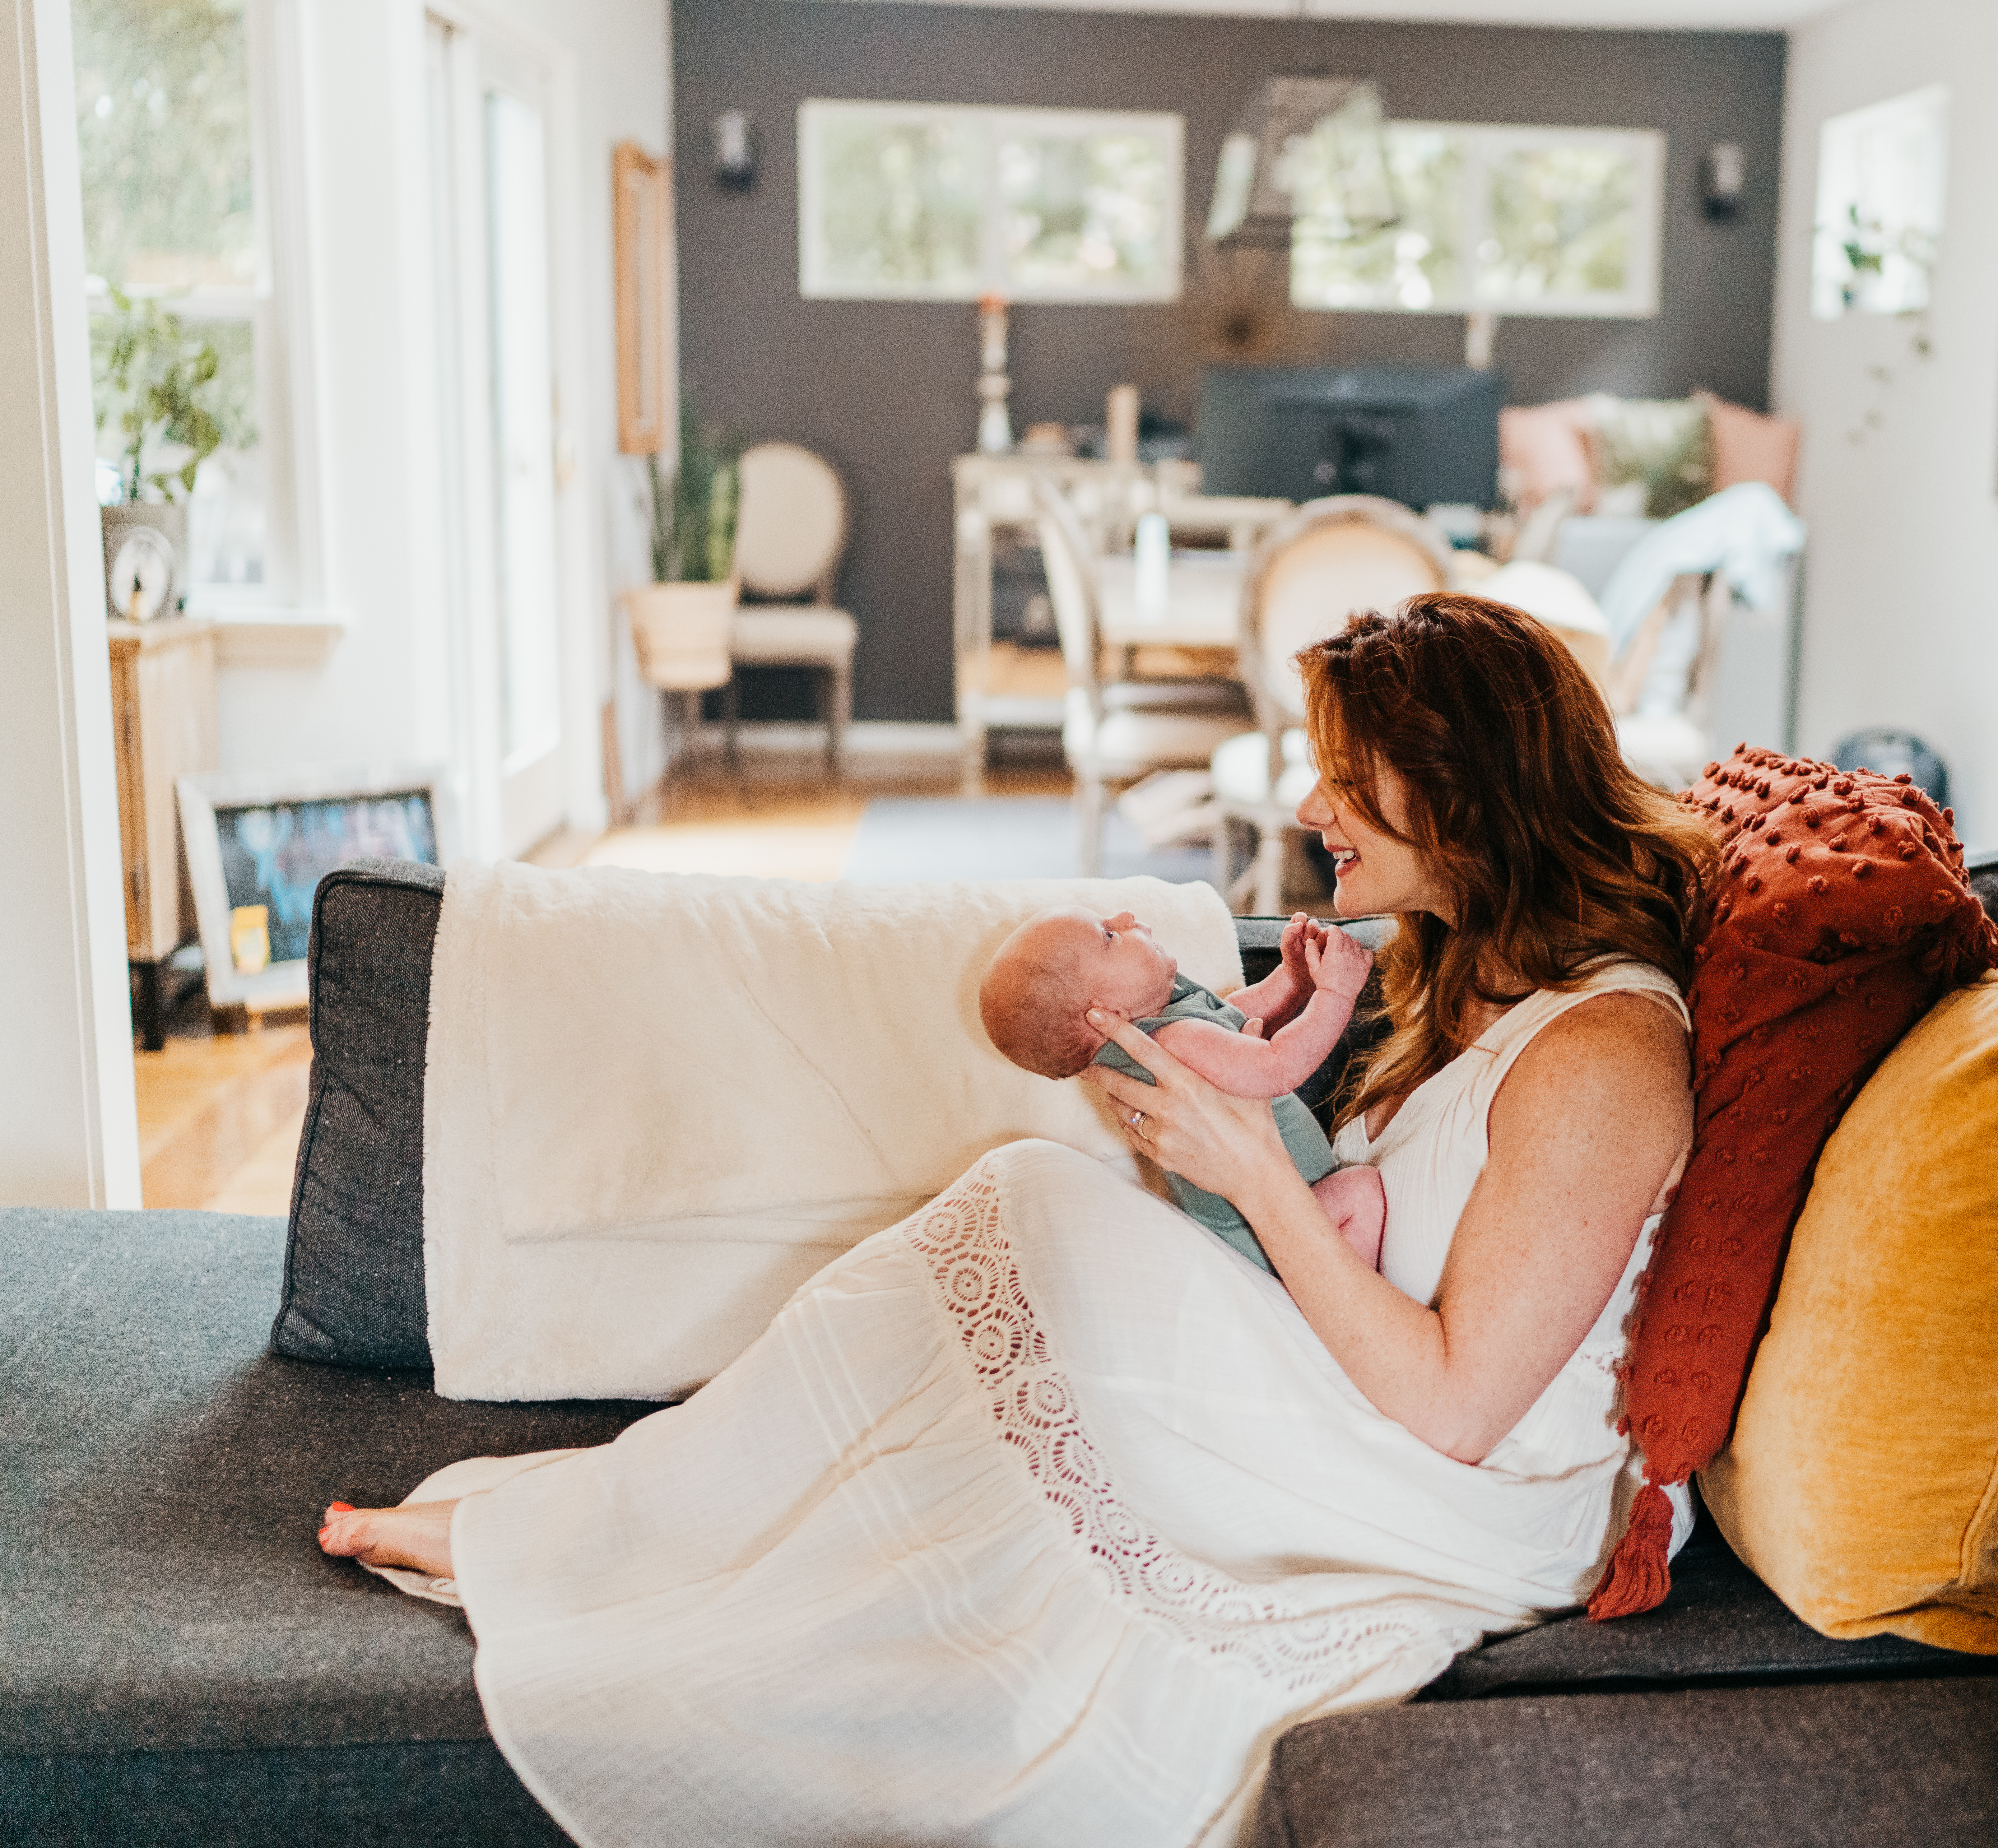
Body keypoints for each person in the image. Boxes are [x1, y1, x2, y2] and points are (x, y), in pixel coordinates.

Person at [316, 592, 1714, 1846]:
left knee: (1032, 1204)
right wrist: (1203, 1153)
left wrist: (1255, 1177)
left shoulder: (1603, 1057)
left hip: (1459, 1495)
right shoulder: (1464, 979)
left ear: (1465, 794)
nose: (1308, 806)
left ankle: (621, 1540)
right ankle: (623, 1528)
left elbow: (1463, 1407)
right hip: (1355, 1393)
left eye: (1348, 778)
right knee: (1034, 1214)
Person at [977, 901, 1388, 1271]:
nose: (1126, 917)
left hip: (1270, 1211)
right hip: (1266, 1235)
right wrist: (1338, 991)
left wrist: (1294, 979)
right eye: (1109, 935)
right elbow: (1279, 1066)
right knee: (1362, 1194)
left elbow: (1236, 1021)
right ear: (1106, 1012)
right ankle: (1342, 1301)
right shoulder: (1175, 1041)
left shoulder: (1170, 1028)